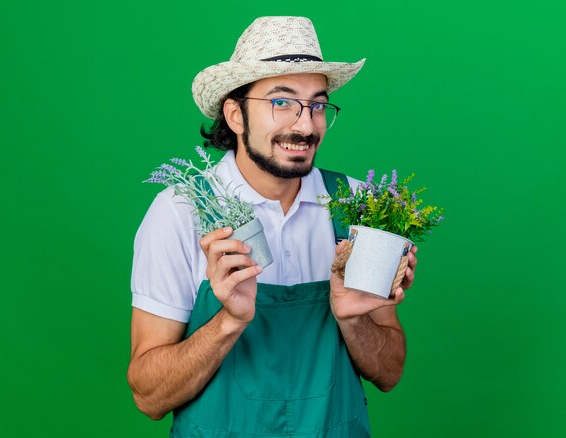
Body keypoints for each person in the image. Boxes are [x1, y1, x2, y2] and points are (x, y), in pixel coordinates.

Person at [127, 16, 418, 437]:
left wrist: (354, 321)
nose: (305, 125)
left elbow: (390, 373)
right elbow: (149, 397)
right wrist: (229, 320)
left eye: (317, 105)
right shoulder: (179, 213)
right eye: (282, 102)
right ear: (235, 114)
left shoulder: (357, 208)